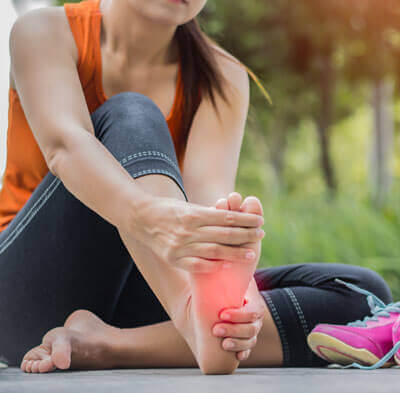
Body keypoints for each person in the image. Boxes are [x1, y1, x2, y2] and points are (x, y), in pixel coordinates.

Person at [0, 0, 392, 374]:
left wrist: (234, 301)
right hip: (30, 291)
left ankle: (106, 344)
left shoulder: (222, 76)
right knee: (132, 112)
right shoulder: (44, 31)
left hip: (146, 294)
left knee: (361, 295)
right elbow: (65, 147)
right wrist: (148, 218)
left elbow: (208, 207)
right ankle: (191, 319)